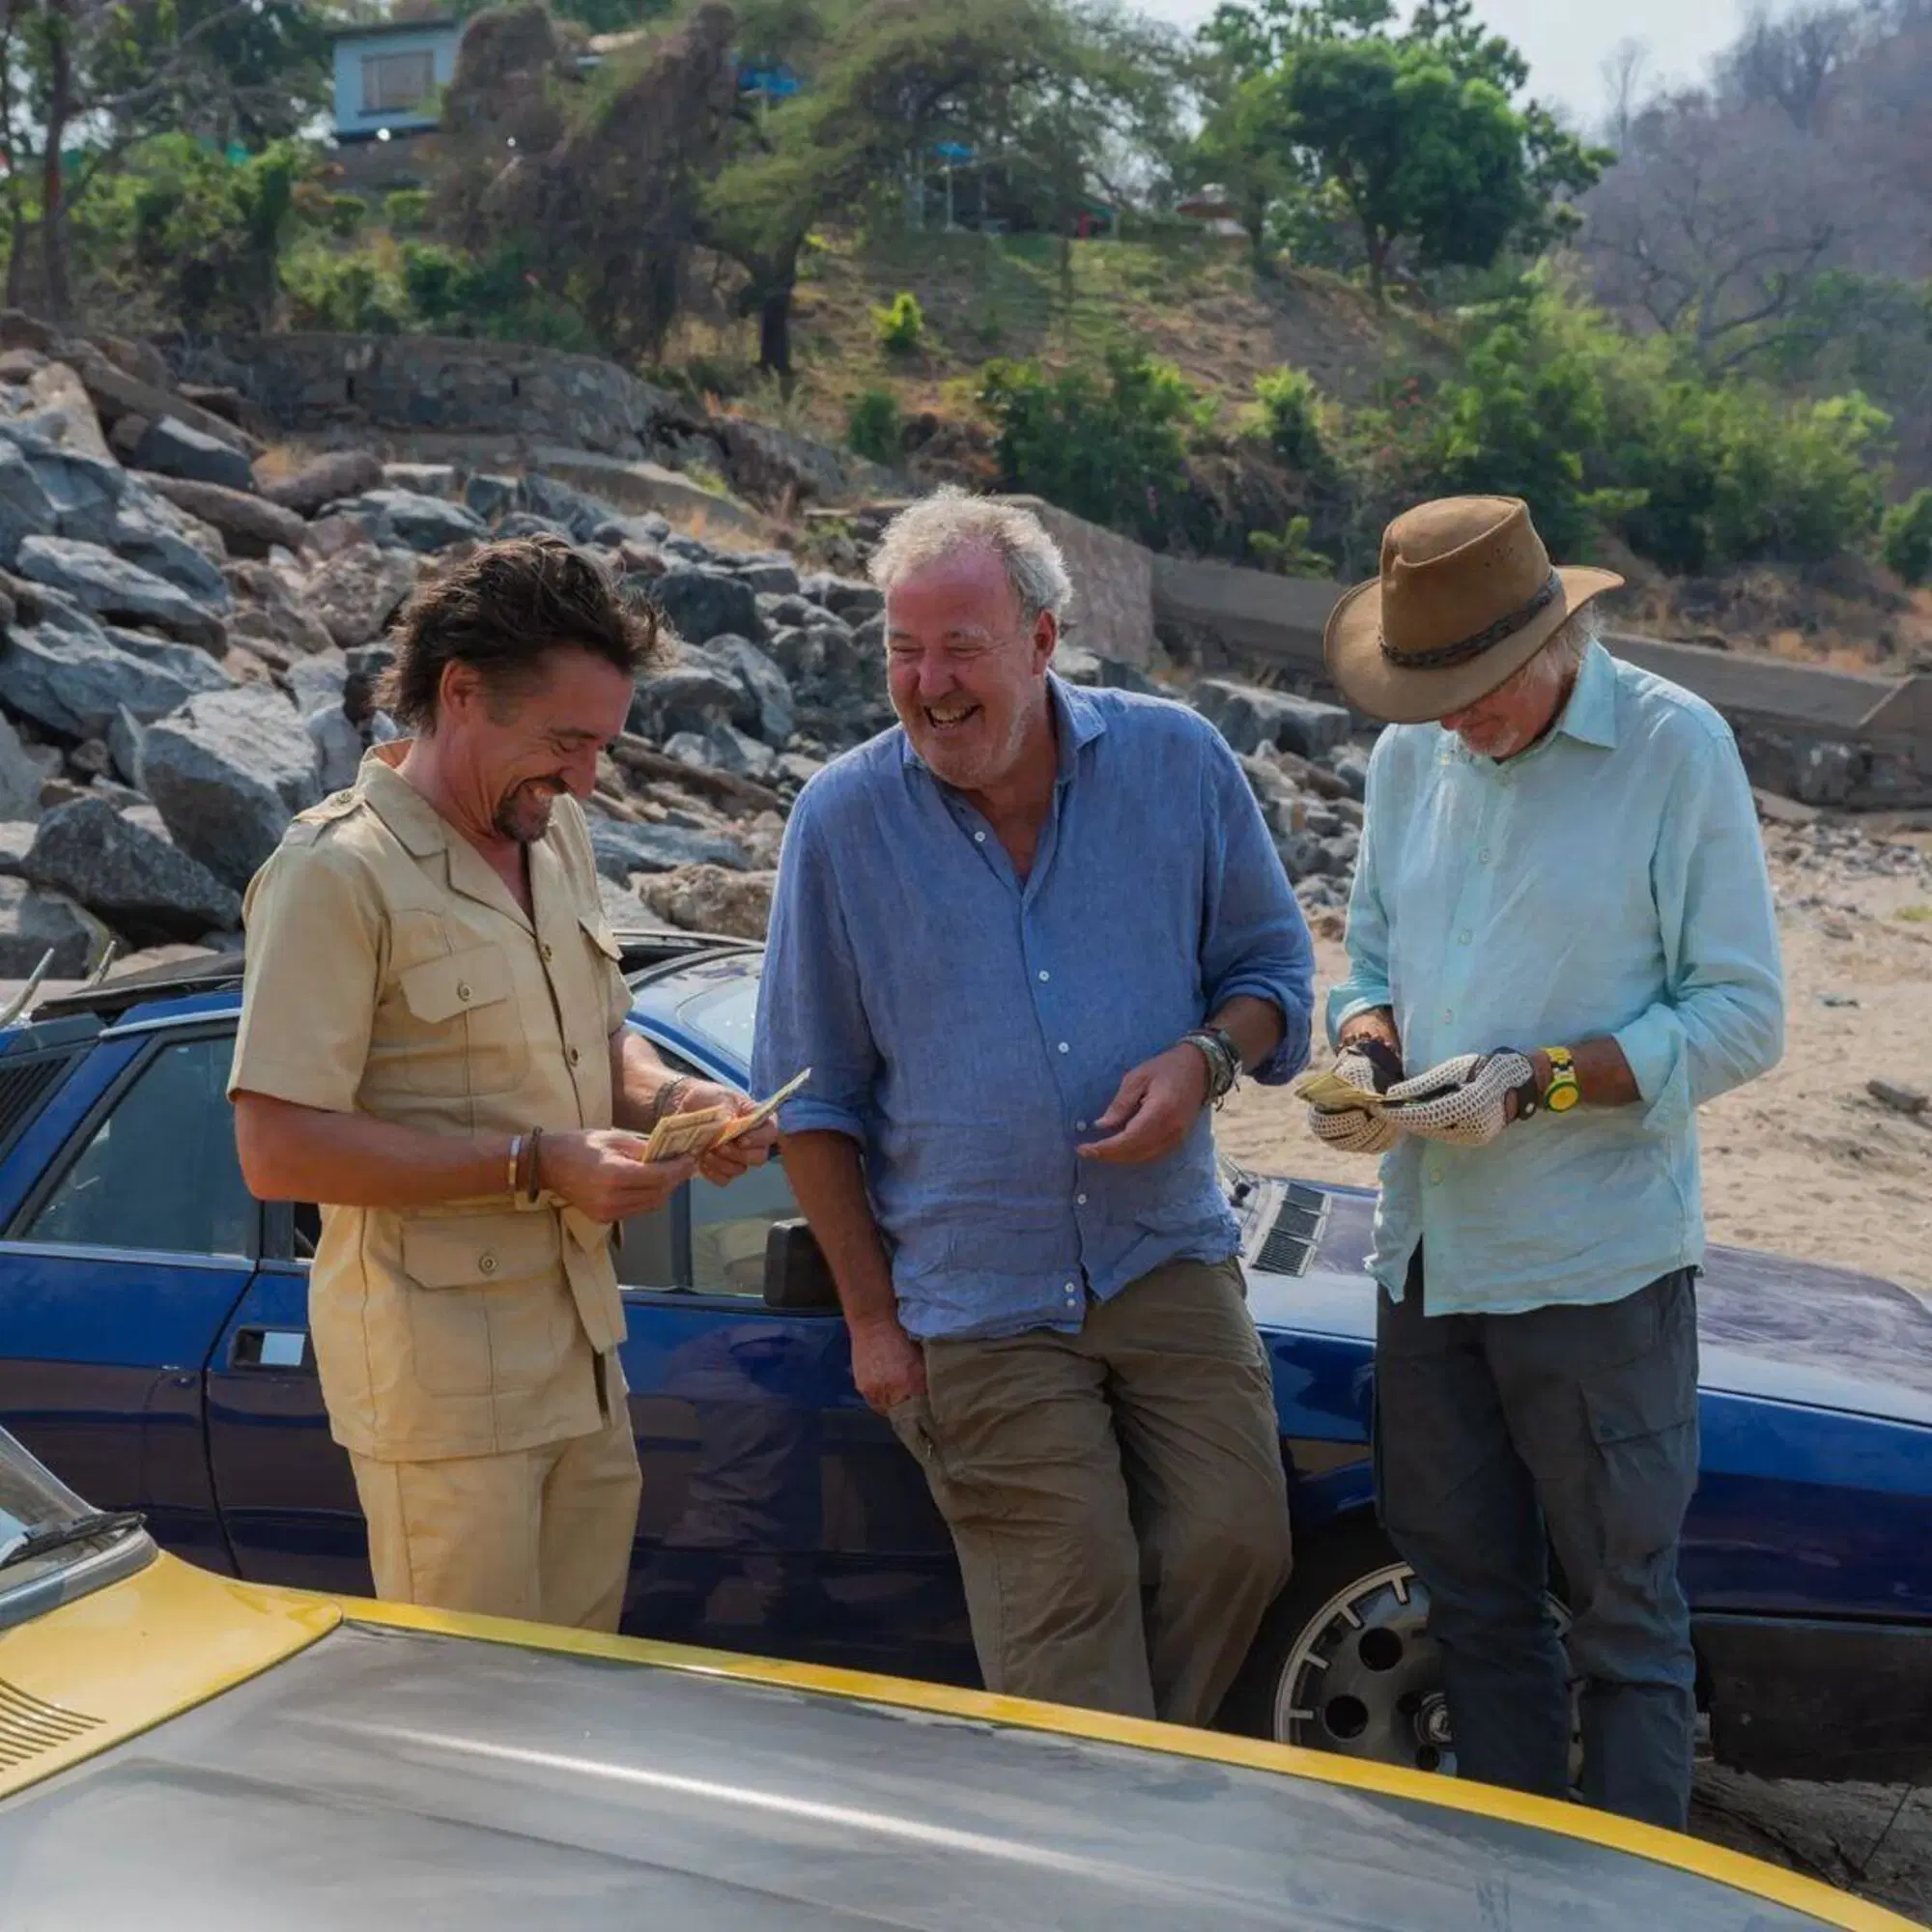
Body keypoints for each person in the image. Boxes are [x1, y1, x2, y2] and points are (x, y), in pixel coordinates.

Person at [752, 488, 1312, 1729]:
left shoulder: (1178, 762)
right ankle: (1106, 1825)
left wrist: (1203, 1062)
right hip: (978, 1302)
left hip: (1162, 1253)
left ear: (1044, 640)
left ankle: (1102, 1796)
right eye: (901, 649)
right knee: (1069, 1612)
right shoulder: (839, 823)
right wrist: (872, 1326)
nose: (928, 682)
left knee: (1238, 1543)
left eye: (960, 647)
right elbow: (811, 1097)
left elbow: (1272, 977)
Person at [1308, 494, 1785, 1830]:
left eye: (1470, 690)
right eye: (1428, 691)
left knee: (1626, 1625)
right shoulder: (1416, 754)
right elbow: (1376, 955)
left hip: (1595, 1272)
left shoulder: (1677, 749)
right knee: (1471, 1607)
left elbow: (1744, 1017)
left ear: (1555, 640)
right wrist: (1367, 1043)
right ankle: (1504, 1894)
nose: (1451, 718)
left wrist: (1540, 1083)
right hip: (1428, 1258)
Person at [229, 535, 776, 1634]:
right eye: (567, 742)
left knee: (572, 1704)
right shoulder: (334, 872)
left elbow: (597, 1039)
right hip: (439, 1392)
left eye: (599, 748)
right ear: (462, 691)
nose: (586, 779)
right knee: (466, 1730)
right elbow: (276, 1147)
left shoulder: (553, 830)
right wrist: (533, 1164)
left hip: (580, 1359)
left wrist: (675, 1105)